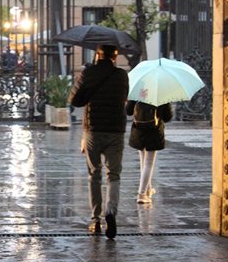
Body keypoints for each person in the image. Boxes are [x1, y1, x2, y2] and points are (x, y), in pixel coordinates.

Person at [68, 45, 129, 239]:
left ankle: (96, 219)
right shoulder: (121, 75)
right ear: (115, 56)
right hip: (116, 131)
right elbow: (123, 99)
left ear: (97, 55)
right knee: (114, 174)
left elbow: (75, 100)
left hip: (93, 129)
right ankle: (111, 212)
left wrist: (87, 87)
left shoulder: (89, 73)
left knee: (94, 174)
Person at [125, 100, 173, 204]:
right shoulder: (161, 94)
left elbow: (128, 111)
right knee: (148, 163)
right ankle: (141, 194)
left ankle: (148, 189)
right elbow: (167, 117)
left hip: (138, 130)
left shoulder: (137, 91)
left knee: (143, 162)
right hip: (154, 131)